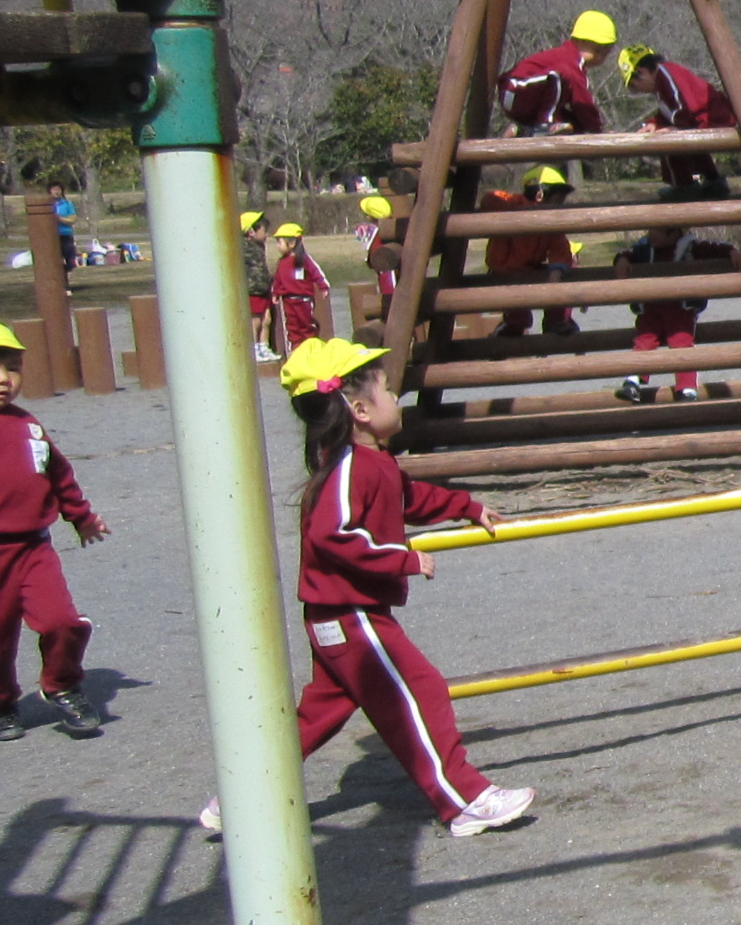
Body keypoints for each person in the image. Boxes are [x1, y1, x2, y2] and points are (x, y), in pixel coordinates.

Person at [212, 339, 532, 837]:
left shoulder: (373, 461)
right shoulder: (347, 467)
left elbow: (406, 498)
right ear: (360, 410)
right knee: (420, 689)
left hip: (338, 614)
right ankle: (465, 799)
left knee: (317, 715)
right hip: (350, 613)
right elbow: (333, 535)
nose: (395, 398)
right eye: (387, 389)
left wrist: (466, 507)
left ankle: (238, 797)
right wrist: (400, 559)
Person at [0, 319, 108, 740]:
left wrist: (81, 516)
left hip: (33, 548)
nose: (4, 379)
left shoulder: (28, 425)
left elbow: (57, 474)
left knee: (61, 621)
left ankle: (62, 684)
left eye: (13, 369)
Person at [611, 225, 734, 402]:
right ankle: (633, 381)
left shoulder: (690, 248)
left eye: (657, 231)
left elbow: (715, 248)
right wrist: (622, 260)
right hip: (650, 308)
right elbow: (626, 254)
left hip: (680, 310)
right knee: (643, 342)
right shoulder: (643, 248)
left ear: (674, 233)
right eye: (650, 231)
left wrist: (732, 252)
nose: (651, 234)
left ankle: (687, 388)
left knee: (682, 344)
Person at [615, 42, 735, 198]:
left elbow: (683, 104)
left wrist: (676, 127)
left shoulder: (665, 74)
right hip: (702, 120)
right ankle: (712, 180)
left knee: (668, 139)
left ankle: (684, 185)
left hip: (711, 119)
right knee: (669, 133)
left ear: (641, 72)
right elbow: (668, 111)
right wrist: (654, 123)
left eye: (634, 85)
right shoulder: (663, 81)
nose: (637, 90)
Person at [485, 165, 580, 339]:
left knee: (566, 271)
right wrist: (509, 206)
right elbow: (489, 200)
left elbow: (560, 248)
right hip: (504, 272)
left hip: (531, 268)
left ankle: (557, 320)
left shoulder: (551, 223)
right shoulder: (513, 205)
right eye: (558, 200)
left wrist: (558, 269)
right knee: (520, 318)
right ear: (540, 195)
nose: (560, 206)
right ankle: (508, 329)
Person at [497, 9, 617, 135]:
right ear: (579, 41)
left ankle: (522, 131)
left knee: (570, 121)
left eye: (605, 53)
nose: (600, 57)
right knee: (560, 75)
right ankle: (545, 125)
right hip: (514, 89)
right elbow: (582, 103)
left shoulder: (571, 62)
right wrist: (597, 130)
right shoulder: (571, 61)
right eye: (597, 51)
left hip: (523, 99)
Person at [268, 222, 330, 349]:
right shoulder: (282, 262)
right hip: (288, 300)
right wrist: (275, 293)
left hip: (304, 300)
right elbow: (277, 280)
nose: (278, 246)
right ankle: (295, 348)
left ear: (291, 243)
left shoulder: (304, 260)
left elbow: (316, 273)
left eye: (280, 242)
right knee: (292, 326)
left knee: (306, 324)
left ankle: (312, 346)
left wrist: (323, 286)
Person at [239, 209, 278, 362]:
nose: (267, 234)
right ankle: (254, 348)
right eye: (263, 231)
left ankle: (264, 346)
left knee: (266, 319)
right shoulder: (243, 248)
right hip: (252, 289)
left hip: (263, 289)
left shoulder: (260, 246)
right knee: (255, 321)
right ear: (250, 232)